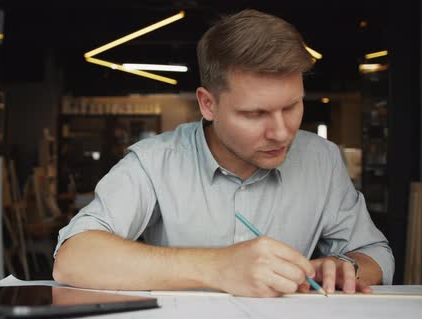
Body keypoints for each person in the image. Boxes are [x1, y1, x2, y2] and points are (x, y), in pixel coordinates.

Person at [53, 9, 394, 297]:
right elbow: (74, 258)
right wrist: (219, 267)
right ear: (208, 104)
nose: (281, 132)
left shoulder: (322, 159)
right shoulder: (154, 162)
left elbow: (375, 254)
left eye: (292, 106)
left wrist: (345, 268)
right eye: (255, 114)